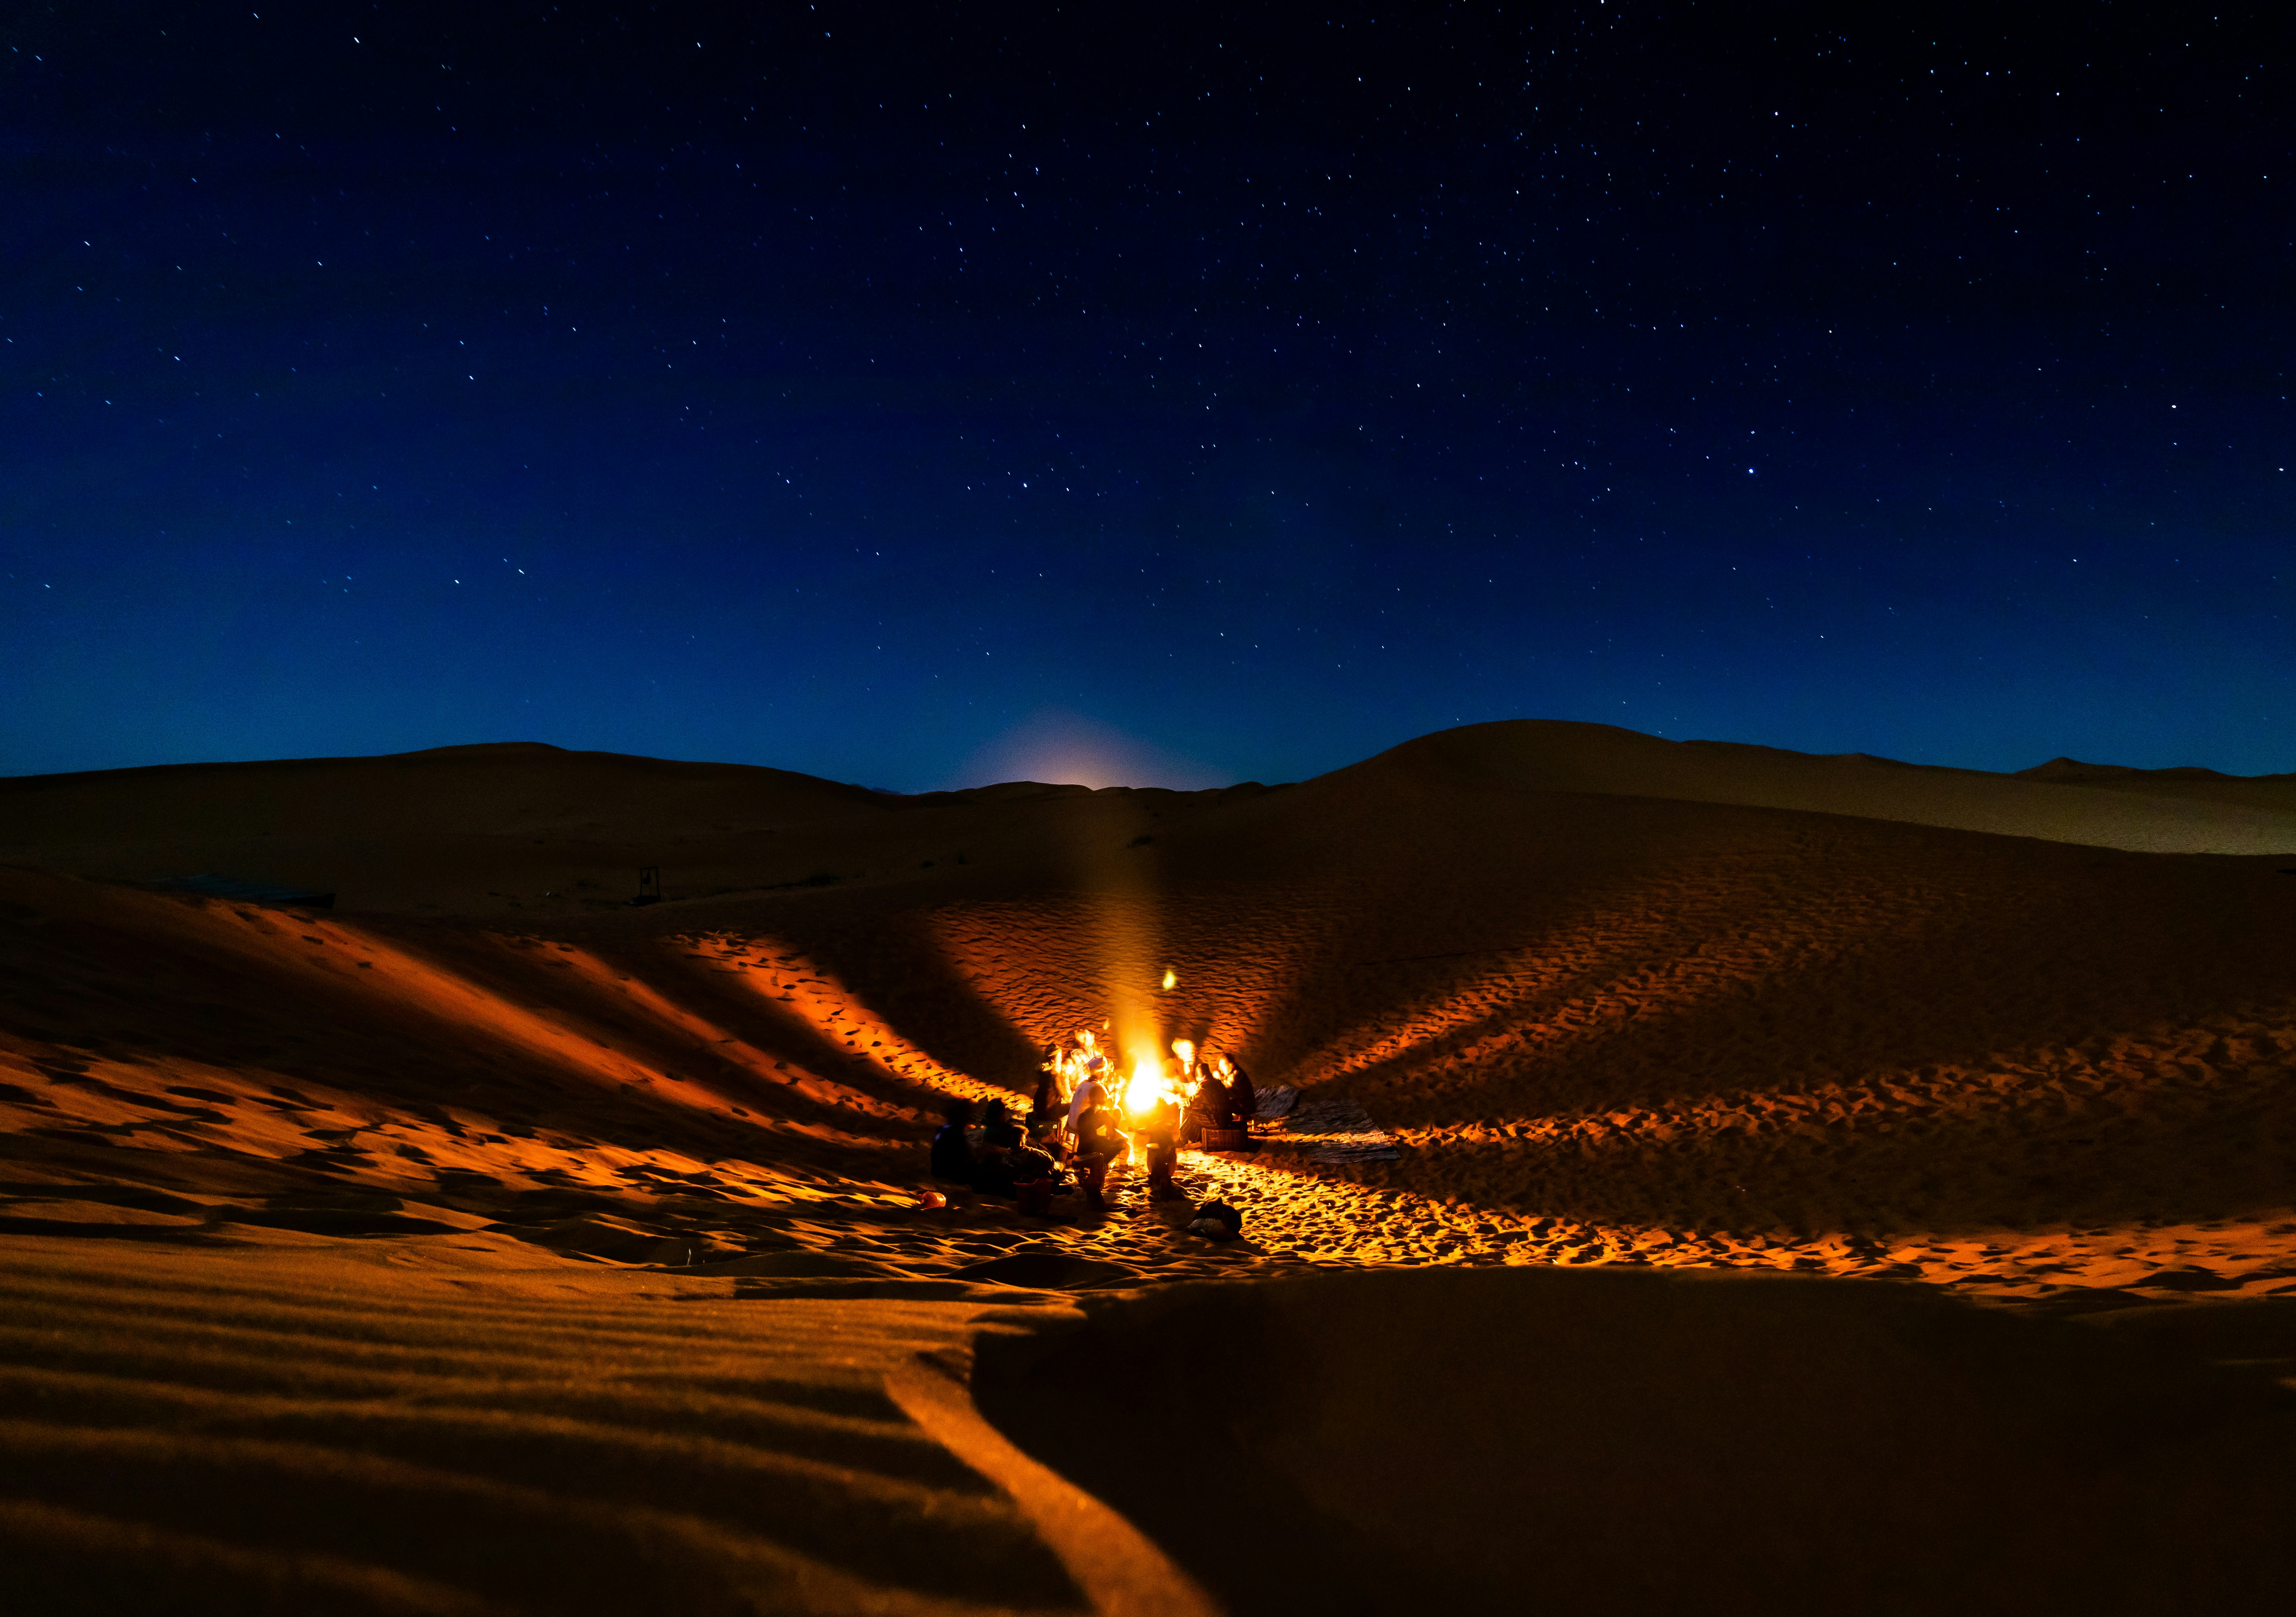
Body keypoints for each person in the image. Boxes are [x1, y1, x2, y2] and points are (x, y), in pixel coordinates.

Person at [1070, 1086, 1127, 1218]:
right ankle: (1103, 1166)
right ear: (1103, 1098)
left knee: (1103, 1146)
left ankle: (1102, 1166)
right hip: (1094, 1153)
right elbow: (1113, 1132)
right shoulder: (1104, 1114)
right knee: (1120, 1144)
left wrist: (1075, 1153)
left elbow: (1080, 1136)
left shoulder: (1083, 1115)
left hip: (1082, 1151)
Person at [930, 1098, 975, 1184]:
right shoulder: (955, 1134)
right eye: (968, 1117)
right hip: (949, 1174)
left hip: (938, 1171)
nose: (969, 1121)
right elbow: (962, 1159)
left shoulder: (943, 1129)